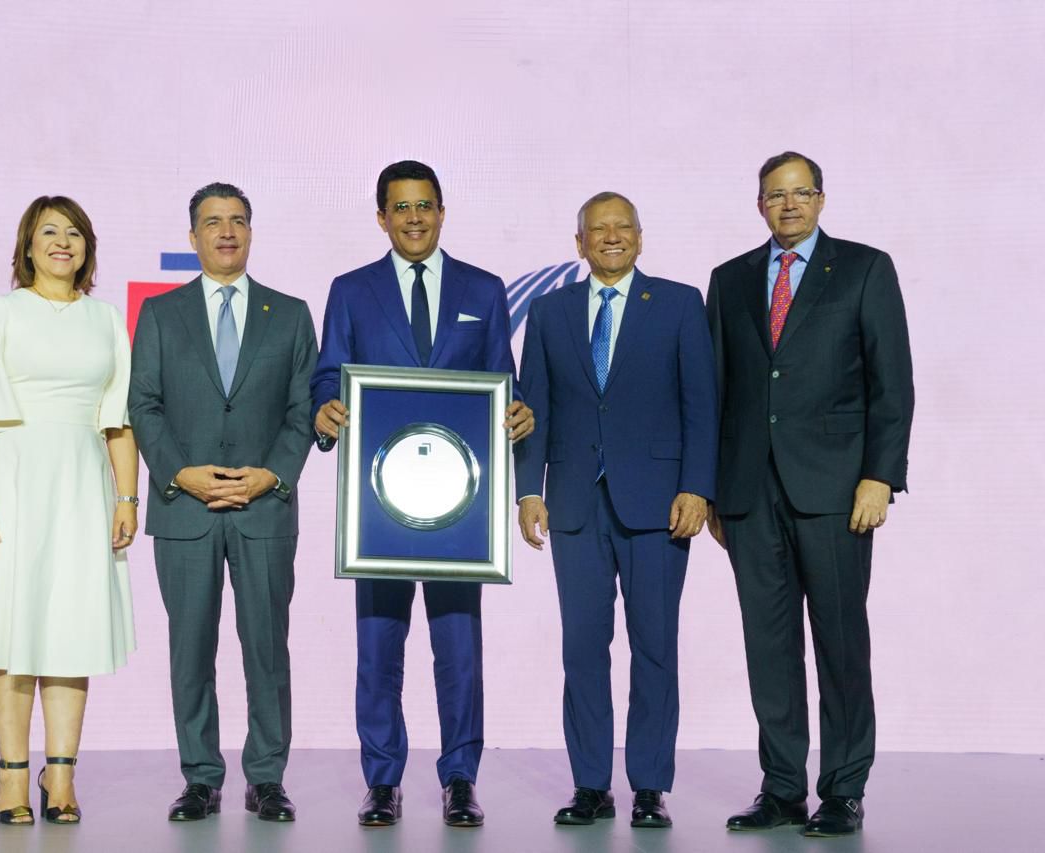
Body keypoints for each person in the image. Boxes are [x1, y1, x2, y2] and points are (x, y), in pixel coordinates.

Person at [311, 160, 534, 828]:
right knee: (378, 649)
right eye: (401, 207)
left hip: (460, 510)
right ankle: (382, 781)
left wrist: (516, 412)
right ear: (381, 217)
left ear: (442, 211)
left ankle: (460, 778)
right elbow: (328, 374)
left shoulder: (483, 289)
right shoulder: (350, 290)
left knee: (459, 649)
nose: (414, 218)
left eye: (425, 205)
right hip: (378, 505)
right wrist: (324, 409)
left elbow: (501, 380)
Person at [705, 152, 914, 837]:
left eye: (801, 193)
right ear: (759, 204)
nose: (788, 204)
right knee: (768, 646)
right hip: (748, 492)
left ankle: (845, 788)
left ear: (821, 199)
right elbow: (716, 390)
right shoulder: (729, 279)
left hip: (836, 489)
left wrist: (879, 475)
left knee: (841, 642)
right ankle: (782, 788)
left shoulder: (864, 269)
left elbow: (892, 383)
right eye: (776, 195)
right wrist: (713, 491)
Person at [0, 195, 138, 826]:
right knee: (10, 629)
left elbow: (119, 422)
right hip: (11, 483)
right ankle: (13, 773)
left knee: (73, 628)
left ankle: (61, 774)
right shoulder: (0, 312)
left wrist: (126, 498)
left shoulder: (105, 319)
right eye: (49, 231)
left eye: (74, 232)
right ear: (27, 245)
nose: (62, 242)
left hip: (81, 487)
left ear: (87, 247)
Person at [514, 192, 717, 830]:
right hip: (575, 503)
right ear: (578, 243)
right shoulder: (549, 312)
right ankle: (591, 784)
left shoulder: (680, 304)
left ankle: (650, 786)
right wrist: (528, 490)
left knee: (655, 646)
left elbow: (702, 403)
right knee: (582, 648)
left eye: (622, 227)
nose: (610, 237)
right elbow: (532, 407)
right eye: (597, 229)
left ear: (640, 236)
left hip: (659, 505)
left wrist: (697, 487)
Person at [129, 182, 317, 824]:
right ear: (193, 237)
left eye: (237, 220)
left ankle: (266, 778)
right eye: (213, 222)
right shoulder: (161, 313)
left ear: (251, 232)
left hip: (264, 509)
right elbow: (143, 404)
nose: (226, 231)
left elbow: (302, 411)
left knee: (267, 648)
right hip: (185, 510)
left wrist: (273, 475)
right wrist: (180, 474)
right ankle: (201, 778)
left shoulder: (290, 314)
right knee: (190, 651)